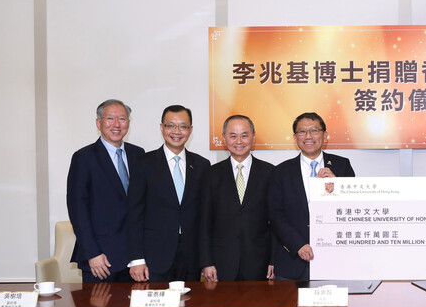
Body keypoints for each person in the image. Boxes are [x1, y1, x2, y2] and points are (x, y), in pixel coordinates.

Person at [127, 105, 209, 282]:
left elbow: (205, 216)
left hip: (192, 259)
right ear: (162, 127)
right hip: (154, 258)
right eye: (171, 125)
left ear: (190, 130)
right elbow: (134, 214)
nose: (176, 131)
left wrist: (206, 259)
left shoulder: (202, 165)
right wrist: (137, 259)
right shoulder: (143, 164)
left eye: (183, 126)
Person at [268, 112, 355, 280]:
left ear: (325, 135)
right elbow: (275, 215)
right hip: (292, 261)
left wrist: (339, 185)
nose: (308, 136)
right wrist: (297, 244)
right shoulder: (280, 172)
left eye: (314, 130)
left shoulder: (342, 166)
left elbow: (353, 208)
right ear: (295, 137)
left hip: (334, 259)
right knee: (290, 306)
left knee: (335, 306)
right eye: (302, 132)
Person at [66, 99, 144, 282]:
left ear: (128, 124)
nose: (116, 124)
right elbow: (78, 210)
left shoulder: (139, 155)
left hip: (135, 260)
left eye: (122, 119)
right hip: (101, 261)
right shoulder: (83, 158)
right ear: (98, 123)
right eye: (110, 118)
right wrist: (92, 253)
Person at [199, 115, 274, 281]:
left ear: (253, 137)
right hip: (220, 263)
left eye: (244, 135)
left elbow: (275, 222)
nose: (239, 141)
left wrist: (273, 259)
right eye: (233, 136)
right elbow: (204, 221)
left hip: (259, 262)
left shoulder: (270, 173)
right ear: (224, 138)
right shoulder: (211, 174)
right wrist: (206, 262)